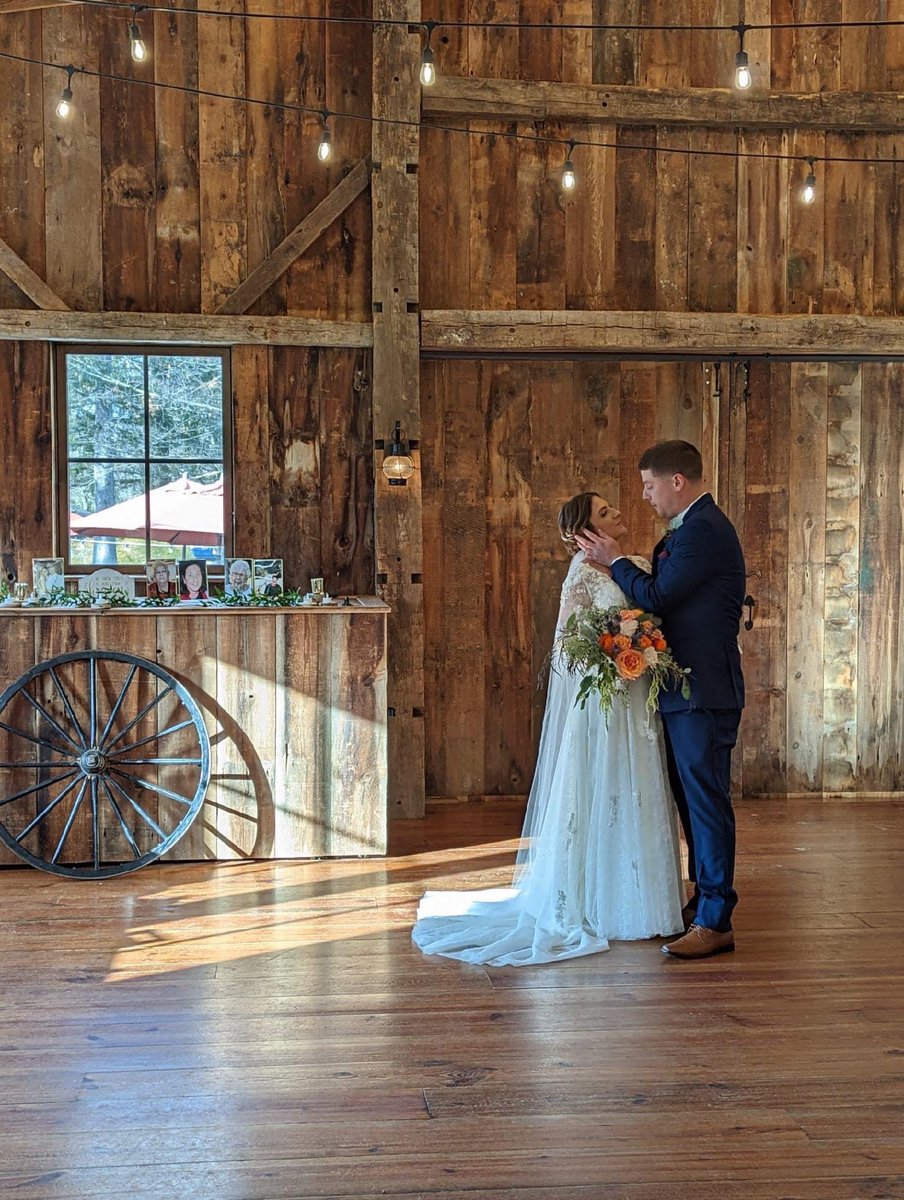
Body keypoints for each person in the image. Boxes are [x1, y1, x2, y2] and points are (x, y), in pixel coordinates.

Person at [412, 493, 684, 967]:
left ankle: (641, 900)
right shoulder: (580, 573)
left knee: (638, 786)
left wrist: (642, 645)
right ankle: (589, 898)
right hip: (604, 699)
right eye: (605, 513)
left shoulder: (637, 561)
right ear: (584, 533)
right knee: (598, 787)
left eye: (611, 508)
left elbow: (655, 613)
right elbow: (566, 648)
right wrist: (608, 656)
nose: (618, 512)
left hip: (636, 695)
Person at [575, 441, 745, 960]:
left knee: (706, 802)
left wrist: (613, 561)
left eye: (650, 485)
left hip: (704, 691)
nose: (645, 496)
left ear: (677, 481)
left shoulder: (704, 530)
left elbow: (659, 596)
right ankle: (703, 905)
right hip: (683, 692)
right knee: (692, 804)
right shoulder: (689, 529)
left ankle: (716, 919)